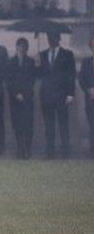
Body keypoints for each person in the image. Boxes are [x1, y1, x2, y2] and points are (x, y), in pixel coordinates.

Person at [38, 31, 75, 159]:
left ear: (58, 38)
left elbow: (71, 74)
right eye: (49, 37)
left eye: (53, 36)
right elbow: (39, 75)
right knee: (49, 126)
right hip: (47, 95)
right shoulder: (42, 55)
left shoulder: (67, 54)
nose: (51, 39)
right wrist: (37, 64)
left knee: (63, 124)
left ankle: (65, 152)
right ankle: (50, 152)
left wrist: (70, 94)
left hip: (62, 95)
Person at [7, 38, 37, 159]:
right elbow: (8, 81)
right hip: (15, 99)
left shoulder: (31, 62)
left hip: (27, 98)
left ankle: (28, 149)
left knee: (28, 124)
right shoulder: (11, 62)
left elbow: (33, 79)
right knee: (17, 124)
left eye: (24, 47)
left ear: (27, 48)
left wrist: (38, 65)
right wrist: (16, 93)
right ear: (16, 47)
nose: (22, 49)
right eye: (20, 46)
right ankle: (20, 148)